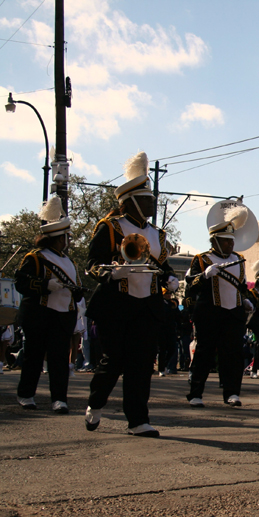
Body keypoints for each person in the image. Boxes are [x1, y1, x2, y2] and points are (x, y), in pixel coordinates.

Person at [84, 152, 179, 437]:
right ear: (131, 201)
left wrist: (170, 277)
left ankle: (137, 420)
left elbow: (161, 264)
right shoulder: (110, 227)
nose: (152, 202)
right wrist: (111, 274)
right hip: (116, 304)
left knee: (141, 364)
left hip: (147, 306)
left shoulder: (158, 235)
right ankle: (96, 403)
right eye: (147, 199)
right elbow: (92, 263)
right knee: (113, 360)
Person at [14, 197, 84, 413]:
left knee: (59, 360)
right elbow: (21, 283)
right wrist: (45, 285)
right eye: (66, 237)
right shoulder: (35, 258)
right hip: (39, 314)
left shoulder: (69, 261)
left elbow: (76, 287)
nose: (68, 240)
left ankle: (59, 399)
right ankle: (26, 394)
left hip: (62, 316)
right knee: (33, 357)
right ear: (59, 238)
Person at [184, 205, 254, 408]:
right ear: (215, 241)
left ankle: (232, 393)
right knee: (204, 354)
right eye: (226, 240)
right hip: (210, 313)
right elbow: (190, 285)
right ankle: (196, 393)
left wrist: (245, 299)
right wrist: (204, 276)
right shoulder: (202, 259)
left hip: (234, 314)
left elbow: (241, 285)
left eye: (232, 240)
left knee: (233, 355)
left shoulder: (238, 259)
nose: (231, 244)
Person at [157, 289, 180, 376]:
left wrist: (179, 326)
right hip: (162, 330)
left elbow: (177, 316)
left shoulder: (173, 304)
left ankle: (165, 364)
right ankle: (161, 369)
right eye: (167, 293)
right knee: (162, 349)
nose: (169, 295)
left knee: (172, 348)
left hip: (171, 330)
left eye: (170, 293)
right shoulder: (159, 303)